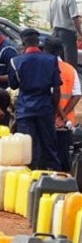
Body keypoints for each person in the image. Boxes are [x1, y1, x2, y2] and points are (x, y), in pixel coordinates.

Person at [9, 28, 62, 170]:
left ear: (23, 42)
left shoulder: (15, 61)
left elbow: (13, 86)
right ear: (38, 42)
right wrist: (53, 110)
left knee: (28, 149)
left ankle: (30, 182)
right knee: (49, 147)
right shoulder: (51, 60)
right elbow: (57, 89)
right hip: (45, 108)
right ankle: (55, 179)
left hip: (25, 110)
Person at [44, 38, 81, 171]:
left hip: (49, 120)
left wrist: (60, 115)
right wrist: (64, 116)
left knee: (47, 158)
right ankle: (65, 185)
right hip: (65, 123)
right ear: (60, 51)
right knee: (64, 158)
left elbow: (53, 95)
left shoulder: (46, 67)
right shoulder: (70, 69)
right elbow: (77, 94)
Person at [48, 0, 82, 66]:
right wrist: (80, 32)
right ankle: (69, 79)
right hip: (67, 34)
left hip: (55, 33)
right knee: (70, 62)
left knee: (57, 61)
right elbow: (74, 18)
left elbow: (50, 19)